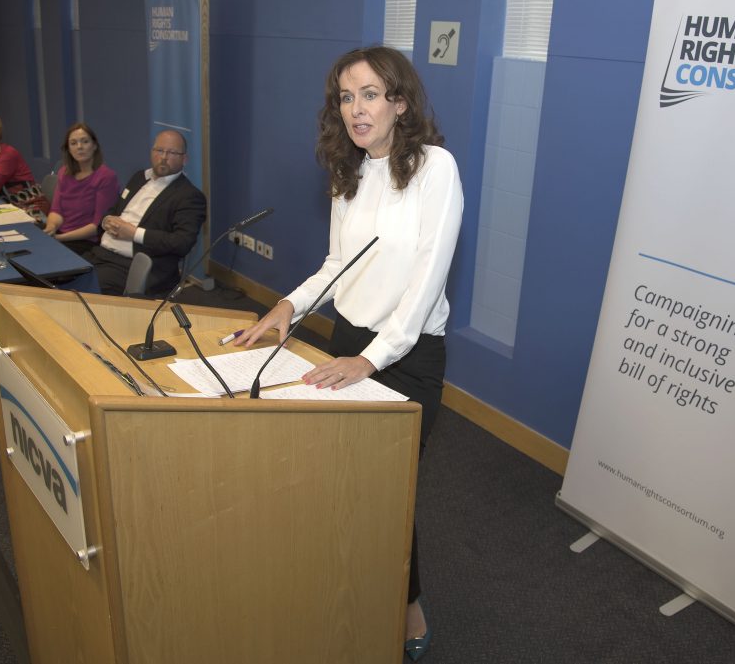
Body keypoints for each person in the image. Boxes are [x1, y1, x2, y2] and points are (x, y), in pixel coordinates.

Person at [234, 46, 463, 661]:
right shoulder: (351, 170)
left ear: (400, 102)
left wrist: (375, 359)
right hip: (350, 340)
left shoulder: (435, 169)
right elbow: (339, 264)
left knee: (388, 491)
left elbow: (427, 279)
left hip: (409, 355)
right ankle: (344, 590)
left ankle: (407, 603)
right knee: (338, 480)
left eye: (368, 94)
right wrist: (289, 306)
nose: (355, 109)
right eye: (345, 96)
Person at [85, 130, 206, 296]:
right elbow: (116, 209)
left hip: (134, 266)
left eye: (172, 152)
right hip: (101, 254)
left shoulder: (189, 196)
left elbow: (182, 242)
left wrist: (134, 234)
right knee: (59, 277)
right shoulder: (139, 178)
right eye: (159, 150)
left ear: (184, 159)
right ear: (152, 152)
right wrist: (107, 220)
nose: (164, 157)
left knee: (78, 291)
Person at [42, 123, 120, 255]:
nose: (79, 147)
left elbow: (97, 226)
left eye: (85, 141)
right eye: (73, 143)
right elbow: (57, 211)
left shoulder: (106, 177)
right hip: (61, 235)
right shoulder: (64, 172)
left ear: (94, 145)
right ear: (68, 149)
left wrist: (60, 238)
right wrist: (51, 227)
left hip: (86, 242)